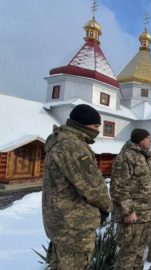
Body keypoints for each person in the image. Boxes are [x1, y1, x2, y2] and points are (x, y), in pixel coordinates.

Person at [42, 104, 112, 269]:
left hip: (62, 222)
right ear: (82, 124)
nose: (98, 131)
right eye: (95, 126)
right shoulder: (72, 146)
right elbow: (92, 186)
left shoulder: (61, 141)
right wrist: (106, 207)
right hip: (74, 225)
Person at [110, 129, 151, 267]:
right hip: (133, 215)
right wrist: (127, 212)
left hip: (146, 213)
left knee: (140, 251)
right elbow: (119, 187)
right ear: (140, 140)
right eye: (148, 138)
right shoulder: (126, 157)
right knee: (128, 253)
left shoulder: (147, 156)